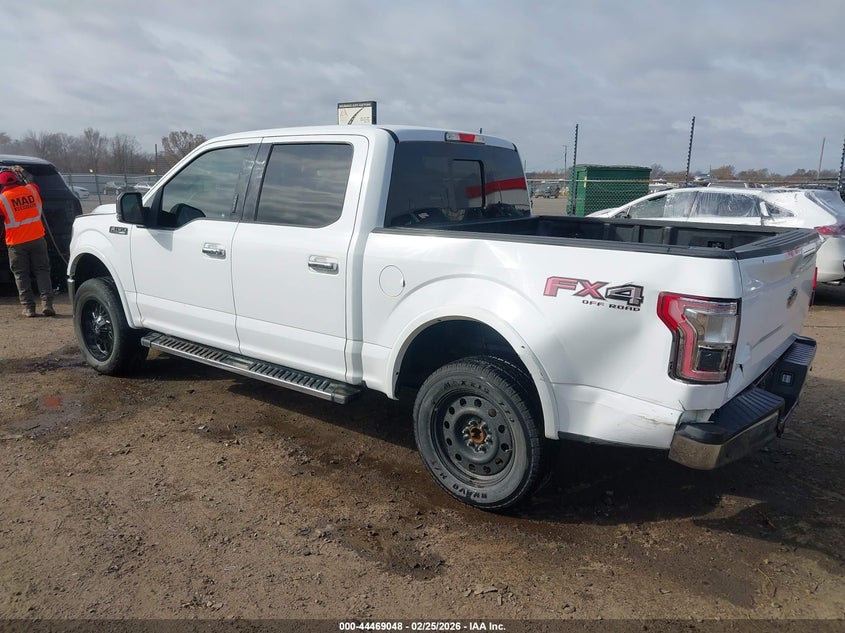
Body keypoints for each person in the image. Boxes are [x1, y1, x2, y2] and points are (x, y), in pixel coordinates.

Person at [0, 167, 55, 317]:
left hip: (16, 243)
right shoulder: (31, 190)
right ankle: (47, 304)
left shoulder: (2, 199)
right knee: (42, 271)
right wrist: (22, 171)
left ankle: (29, 308)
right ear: (16, 178)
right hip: (37, 238)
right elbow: (32, 180)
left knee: (21, 275)